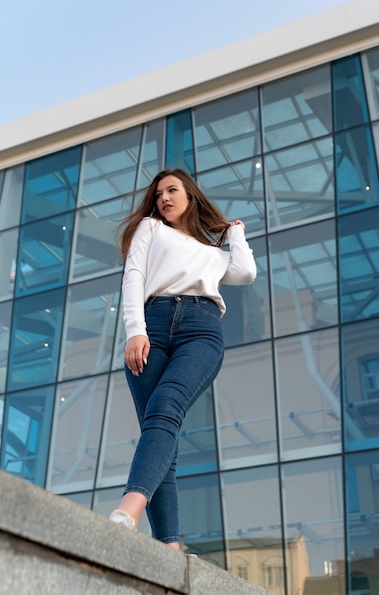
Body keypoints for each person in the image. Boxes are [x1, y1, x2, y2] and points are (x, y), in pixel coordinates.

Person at [109, 167, 257, 550]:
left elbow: (245, 271)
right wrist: (134, 330)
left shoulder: (213, 252)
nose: (164, 198)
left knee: (165, 405)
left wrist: (233, 232)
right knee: (161, 436)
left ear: (190, 196)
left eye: (172, 190)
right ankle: (170, 545)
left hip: (201, 327)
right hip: (152, 325)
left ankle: (128, 509)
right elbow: (134, 275)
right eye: (159, 194)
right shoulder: (150, 229)